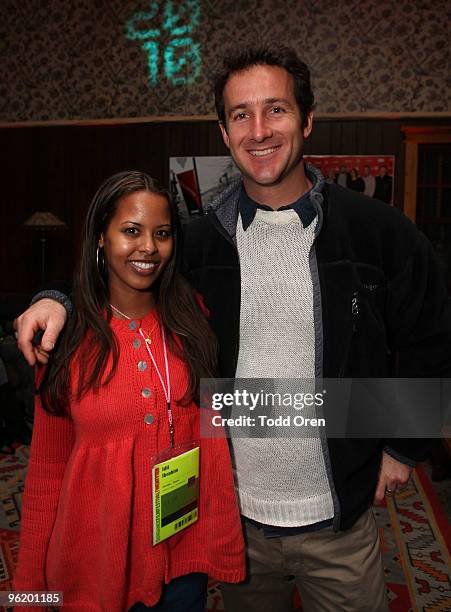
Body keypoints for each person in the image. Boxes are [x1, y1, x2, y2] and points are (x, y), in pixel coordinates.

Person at [14, 47, 451, 612]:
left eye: (276, 110)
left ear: (307, 119)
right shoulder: (198, 241)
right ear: (223, 131)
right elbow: (124, 284)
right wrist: (55, 301)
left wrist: (399, 447)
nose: (259, 130)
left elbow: (434, 334)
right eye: (241, 114)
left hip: (338, 522)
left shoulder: (377, 231)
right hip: (232, 519)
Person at [13, 171, 245, 612]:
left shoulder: (193, 320)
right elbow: (45, 470)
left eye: (161, 233)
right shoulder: (63, 337)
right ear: (101, 236)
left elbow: (210, 437)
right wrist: (27, 592)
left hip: (181, 562)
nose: (148, 248)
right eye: (131, 231)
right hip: (94, 568)